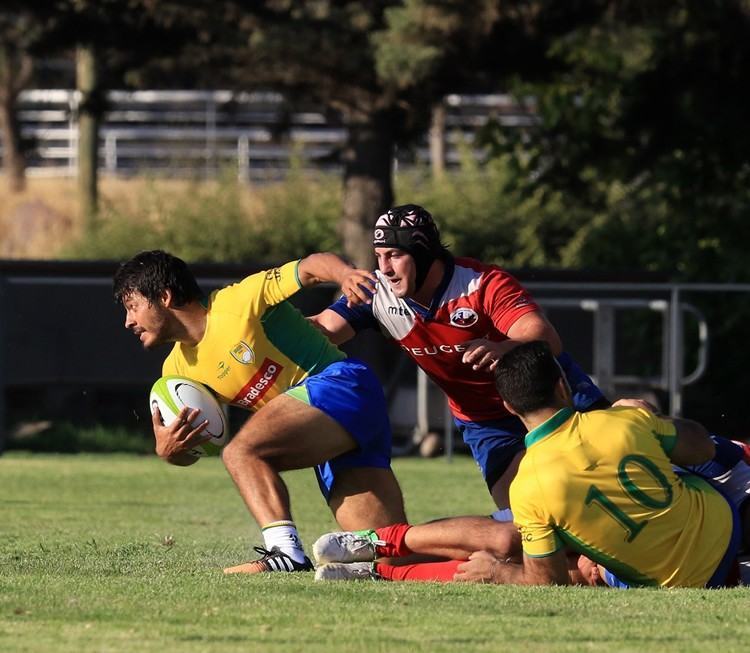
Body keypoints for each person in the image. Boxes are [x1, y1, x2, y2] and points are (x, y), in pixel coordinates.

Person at [313, 341, 744, 588]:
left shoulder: (528, 483)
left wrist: (503, 573)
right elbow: (702, 448)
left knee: (524, 545)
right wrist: (650, 415)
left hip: (685, 552)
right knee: (547, 560)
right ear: (563, 385)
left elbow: (544, 579)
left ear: (507, 405)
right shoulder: (623, 421)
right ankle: (378, 562)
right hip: (720, 526)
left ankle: (377, 555)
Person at [113, 249, 407, 574]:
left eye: (133, 307)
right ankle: (467, 554)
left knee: (241, 453)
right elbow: (194, 450)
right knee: (389, 553)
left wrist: (344, 276)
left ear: (165, 296)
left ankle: (285, 553)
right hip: (331, 429)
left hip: (343, 386)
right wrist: (170, 452)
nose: (128, 321)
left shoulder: (237, 302)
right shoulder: (178, 371)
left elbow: (309, 268)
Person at [310, 204, 608, 511]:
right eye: (379, 255)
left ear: (424, 253)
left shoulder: (481, 283)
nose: (384, 268)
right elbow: (320, 331)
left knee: (611, 487)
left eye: (395, 255)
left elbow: (547, 338)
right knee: (524, 515)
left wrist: (506, 347)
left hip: (553, 399)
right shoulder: (377, 292)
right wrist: (269, 318)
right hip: (487, 421)